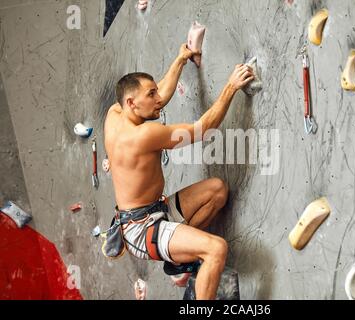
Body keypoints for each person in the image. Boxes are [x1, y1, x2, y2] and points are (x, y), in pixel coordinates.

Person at [103, 43, 254, 300]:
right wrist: (231, 86)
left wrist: (181, 59)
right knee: (216, 249)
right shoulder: (144, 135)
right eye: (151, 95)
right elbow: (203, 129)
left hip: (153, 210)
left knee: (217, 190)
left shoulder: (115, 113)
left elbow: (159, 91)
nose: (158, 99)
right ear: (132, 102)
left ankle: (179, 261)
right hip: (142, 231)